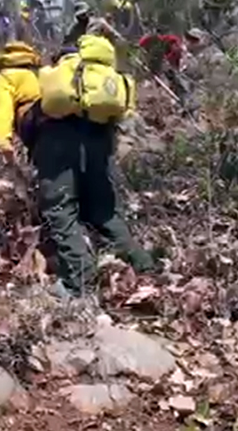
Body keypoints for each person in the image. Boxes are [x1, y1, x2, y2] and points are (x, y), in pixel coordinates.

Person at [34, 32, 155, 297]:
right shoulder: (109, 78)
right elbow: (125, 118)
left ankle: (79, 282)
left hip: (60, 143)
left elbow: (36, 115)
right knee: (105, 212)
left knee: (61, 210)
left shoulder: (59, 75)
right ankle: (145, 268)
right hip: (101, 143)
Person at [0, 40, 43, 162]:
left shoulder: (3, 77)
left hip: (29, 119)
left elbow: (3, 110)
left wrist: (4, 142)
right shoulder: (39, 71)